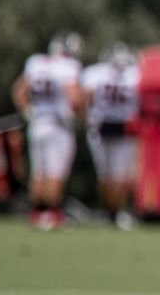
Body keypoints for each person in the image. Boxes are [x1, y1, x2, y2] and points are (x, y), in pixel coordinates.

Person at [11, 32, 83, 231]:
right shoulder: (69, 67)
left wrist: (27, 112)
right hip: (57, 126)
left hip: (37, 125)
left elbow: (19, 90)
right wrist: (74, 113)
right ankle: (52, 215)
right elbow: (74, 98)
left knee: (38, 172)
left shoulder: (36, 63)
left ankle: (37, 214)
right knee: (55, 172)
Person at [80, 43, 140, 229]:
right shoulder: (135, 74)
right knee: (120, 174)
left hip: (100, 125)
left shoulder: (95, 73)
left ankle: (110, 213)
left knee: (105, 174)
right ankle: (116, 213)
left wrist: (87, 118)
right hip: (124, 127)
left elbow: (86, 96)